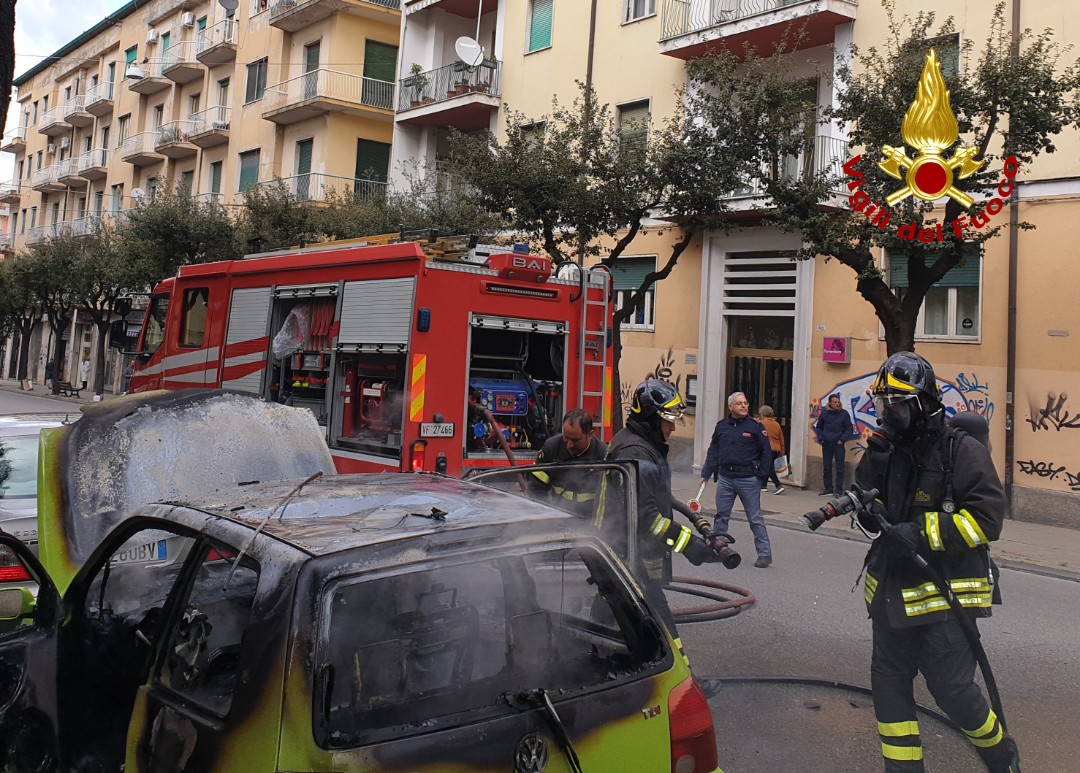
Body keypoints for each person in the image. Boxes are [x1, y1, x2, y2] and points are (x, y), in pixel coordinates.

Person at [856, 352, 1019, 773]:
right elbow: (867, 505)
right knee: (889, 690)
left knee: (952, 691)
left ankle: (1001, 756)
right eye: (882, 404)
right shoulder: (885, 450)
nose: (886, 413)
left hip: (944, 599)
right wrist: (867, 484)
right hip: (892, 598)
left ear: (923, 404)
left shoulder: (960, 451)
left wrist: (922, 533)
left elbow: (987, 519)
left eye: (896, 404)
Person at [600, 379, 721, 634]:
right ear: (651, 418)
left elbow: (653, 499)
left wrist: (699, 531)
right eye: (668, 420)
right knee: (660, 628)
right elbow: (647, 518)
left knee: (612, 618)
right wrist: (688, 544)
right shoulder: (637, 452)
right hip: (629, 555)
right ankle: (678, 671)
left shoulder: (640, 445)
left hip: (627, 553)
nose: (672, 428)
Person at [701, 391, 774, 568]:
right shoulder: (722, 426)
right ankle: (719, 549)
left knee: (755, 518)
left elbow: (766, 452)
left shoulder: (755, 427)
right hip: (726, 477)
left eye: (746, 403)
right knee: (721, 516)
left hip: (748, 478)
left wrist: (761, 477)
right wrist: (706, 473)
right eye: (739, 403)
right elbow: (714, 450)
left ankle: (764, 554)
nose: (744, 406)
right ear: (730, 407)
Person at [528, 408, 608, 515]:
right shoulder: (551, 448)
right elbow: (535, 489)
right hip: (558, 518)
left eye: (575, 440)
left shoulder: (604, 455)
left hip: (589, 521)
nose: (569, 445)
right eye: (566, 437)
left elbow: (611, 498)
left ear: (590, 435)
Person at [815, 393, 853, 496]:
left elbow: (849, 429)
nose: (837, 404)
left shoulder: (844, 414)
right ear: (830, 403)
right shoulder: (824, 413)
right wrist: (821, 438)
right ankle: (828, 488)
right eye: (834, 402)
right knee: (827, 467)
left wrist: (842, 440)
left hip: (838, 444)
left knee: (840, 467)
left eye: (838, 402)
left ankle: (839, 490)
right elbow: (819, 427)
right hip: (826, 443)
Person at [757, 404, 786, 494]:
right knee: (768, 466)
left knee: (768, 467)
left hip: (767, 448)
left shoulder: (761, 423)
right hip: (776, 449)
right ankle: (763, 485)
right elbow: (781, 439)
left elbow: (759, 437)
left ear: (763, 413)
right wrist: (782, 451)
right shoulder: (777, 424)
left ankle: (778, 485)